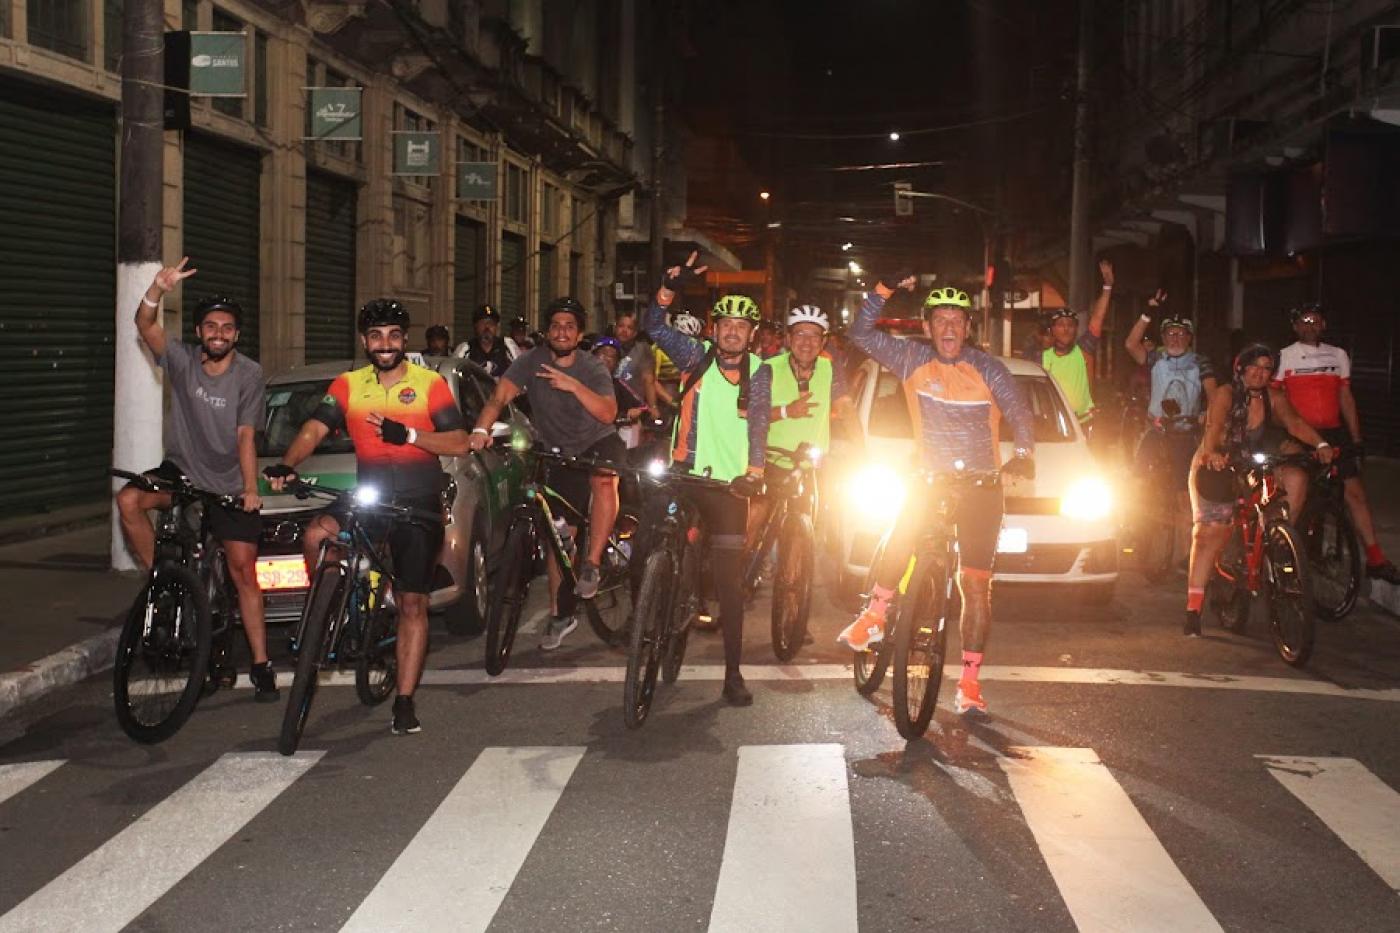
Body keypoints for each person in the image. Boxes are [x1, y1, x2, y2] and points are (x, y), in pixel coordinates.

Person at [264, 299, 469, 735]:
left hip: (418, 501)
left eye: (394, 335)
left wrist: (410, 434)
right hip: (371, 493)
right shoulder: (349, 384)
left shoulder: (429, 383)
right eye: (376, 336)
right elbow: (314, 429)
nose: (385, 344)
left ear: (404, 339)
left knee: (412, 602)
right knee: (317, 534)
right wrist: (288, 464)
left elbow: (459, 442)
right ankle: (328, 611)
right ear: (364, 341)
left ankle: (405, 701)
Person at [841, 277, 1036, 716]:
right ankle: (876, 613)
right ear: (927, 327)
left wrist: (1023, 454)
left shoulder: (988, 368)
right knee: (904, 532)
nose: (949, 327)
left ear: (968, 327)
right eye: (940, 319)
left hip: (981, 487)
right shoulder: (910, 357)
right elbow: (859, 333)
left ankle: (969, 683)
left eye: (957, 320)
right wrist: (883, 289)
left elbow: (1021, 413)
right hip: (930, 479)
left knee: (976, 587)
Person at [116, 259, 277, 700]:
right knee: (129, 500)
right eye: (211, 326)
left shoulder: (249, 374)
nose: (219, 333)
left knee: (243, 571)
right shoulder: (183, 359)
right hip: (181, 471)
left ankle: (261, 663)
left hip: (228, 482)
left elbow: (246, 436)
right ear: (200, 331)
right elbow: (144, 324)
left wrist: (248, 489)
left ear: (237, 335)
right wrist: (156, 289)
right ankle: (163, 582)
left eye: (227, 327)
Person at [644, 252, 773, 706]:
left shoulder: (760, 371)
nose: (733, 331)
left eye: (742, 326)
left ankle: (733, 675)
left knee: (729, 583)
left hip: (730, 487)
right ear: (713, 329)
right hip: (684, 473)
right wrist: (668, 287)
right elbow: (655, 328)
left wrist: (754, 473)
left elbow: (758, 425)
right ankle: (649, 608)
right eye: (726, 324)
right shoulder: (694, 355)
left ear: (752, 335)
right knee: (650, 537)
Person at [468, 297, 624, 647]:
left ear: (580, 333)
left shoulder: (591, 368)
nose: (562, 331)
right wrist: (480, 430)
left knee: (604, 477)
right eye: (556, 325)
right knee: (559, 537)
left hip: (597, 442)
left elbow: (608, 413)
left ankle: (593, 565)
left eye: (570, 326)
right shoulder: (530, 361)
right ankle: (560, 614)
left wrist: (573, 386)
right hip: (559, 453)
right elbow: (498, 398)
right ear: (547, 331)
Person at [1183, 343, 1336, 636]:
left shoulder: (1273, 397)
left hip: (1249, 463)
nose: (1260, 373)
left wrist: (1321, 444)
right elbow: (1213, 428)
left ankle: (1278, 536)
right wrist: (1212, 453)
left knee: (1296, 476)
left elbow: (1294, 422)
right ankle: (1193, 609)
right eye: (1255, 366)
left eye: (1267, 368)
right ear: (1241, 368)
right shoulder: (1226, 394)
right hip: (1215, 464)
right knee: (1209, 534)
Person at [1273, 303, 1400, 583]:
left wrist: (1356, 440)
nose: (1310, 325)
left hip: (1333, 432)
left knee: (1354, 494)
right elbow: (1276, 403)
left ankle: (1376, 559)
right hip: (1300, 434)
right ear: (1295, 327)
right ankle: (1282, 550)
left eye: (1315, 320)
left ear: (1323, 325)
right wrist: (1288, 436)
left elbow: (1346, 397)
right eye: (1303, 321)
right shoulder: (1283, 357)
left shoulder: (1338, 355)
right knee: (1298, 491)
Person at [749, 304, 861, 545]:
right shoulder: (767, 368)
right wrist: (786, 411)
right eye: (800, 334)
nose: (807, 342)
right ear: (788, 339)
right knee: (754, 516)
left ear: (823, 342)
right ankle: (739, 574)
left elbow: (845, 407)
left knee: (806, 535)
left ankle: (795, 579)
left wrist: (864, 450)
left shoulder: (830, 369)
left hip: (811, 467)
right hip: (771, 461)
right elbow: (750, 414)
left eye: (814, 335)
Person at [1123, 292, 1219, 555]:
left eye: (1181, 334)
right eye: (1170, 334)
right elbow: (1131, 344)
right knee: (1137, 478)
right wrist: (1147, 311)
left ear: (1189, 338)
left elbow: (1213, 395)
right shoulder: (1156, 358)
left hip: (1186, 434)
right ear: (1164, 338)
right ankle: (1135, 526)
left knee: (1182, 491)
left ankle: (1189, 551)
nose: (1175, 338)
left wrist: (1207, 414)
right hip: (1157, 429)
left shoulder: (1200, 362)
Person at [1030, 258, 1115, 429]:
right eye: (1061, 325)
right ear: (1052, 330)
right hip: (1054, 427)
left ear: (1076, 329)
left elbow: (1097, 318)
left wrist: (1107, 287)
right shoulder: (1041, 358)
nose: (1066, 329)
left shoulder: (1084, 350)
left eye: (1070, 325)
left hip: (1085, 424)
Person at [593, 335, 648, 450]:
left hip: (606, 437)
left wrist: (636, 411)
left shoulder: (618, 385)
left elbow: (642, 407)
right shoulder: (578, 379)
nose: (607, 359)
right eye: (603, 354)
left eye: (612, 357)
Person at [611, 310, 662, 420]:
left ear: (635, 333)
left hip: (634, 408)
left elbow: (648, 380)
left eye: (629, 328)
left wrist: (653, 407)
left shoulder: (642, 349)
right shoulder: (607, 348)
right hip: (610, 405)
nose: (624, 331)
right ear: (615, 328)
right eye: (621, 326)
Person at [452, 304, 518, 376]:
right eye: (482, 323)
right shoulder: (465, 349)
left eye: (491, 323)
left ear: (496, 327)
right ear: (475, 326)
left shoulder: (507, 345)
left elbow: (522, 369)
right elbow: (452, 373)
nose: (487, 327)